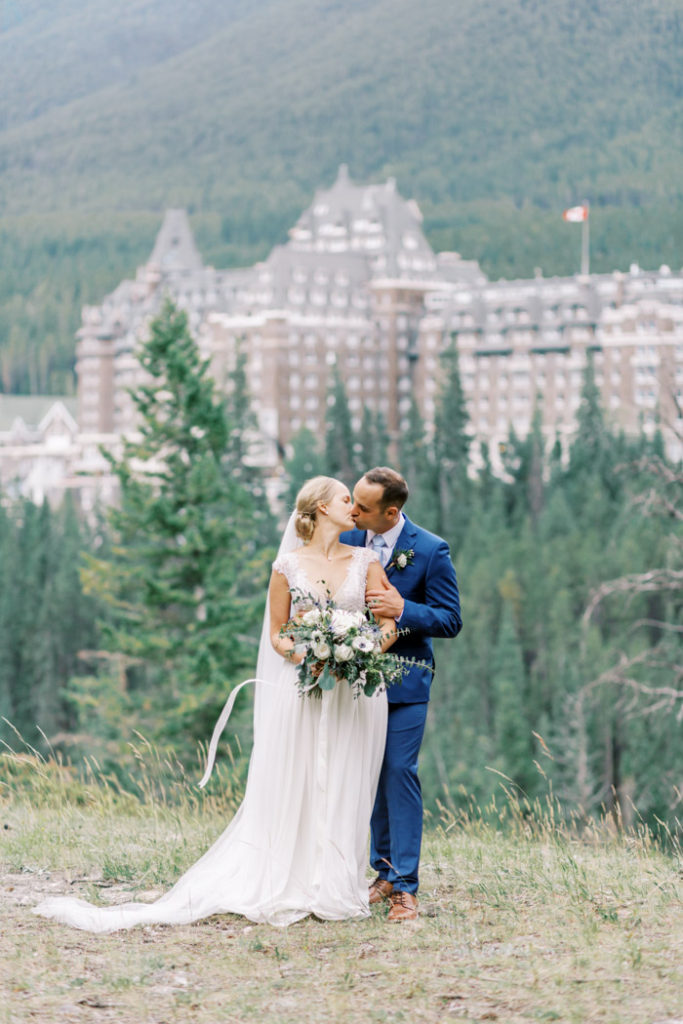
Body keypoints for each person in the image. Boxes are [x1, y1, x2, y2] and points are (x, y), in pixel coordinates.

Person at [33, 476, 395, 932]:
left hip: (350, 693)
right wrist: (309, 652)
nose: (354, 507)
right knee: (297, 777)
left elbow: (388, 626)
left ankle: (336, 880)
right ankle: (293, 876)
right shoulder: (287, 566)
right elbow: (278, 634)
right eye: (346, 499)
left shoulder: (366, 562)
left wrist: (360, 651)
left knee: (342, 775)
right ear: (322, 508)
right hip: (303, 689)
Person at [342, 466, 462, 922]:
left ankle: (406, 887)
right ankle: (384, 871)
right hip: (353, 680)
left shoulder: (431, 551)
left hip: (406, 681)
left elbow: (451, 620)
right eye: (352, 501)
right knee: (369, 773)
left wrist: (404, 609)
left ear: (391, 513)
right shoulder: (349, 541)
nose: (352, 511)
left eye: (363, 507)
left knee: (398, 769)